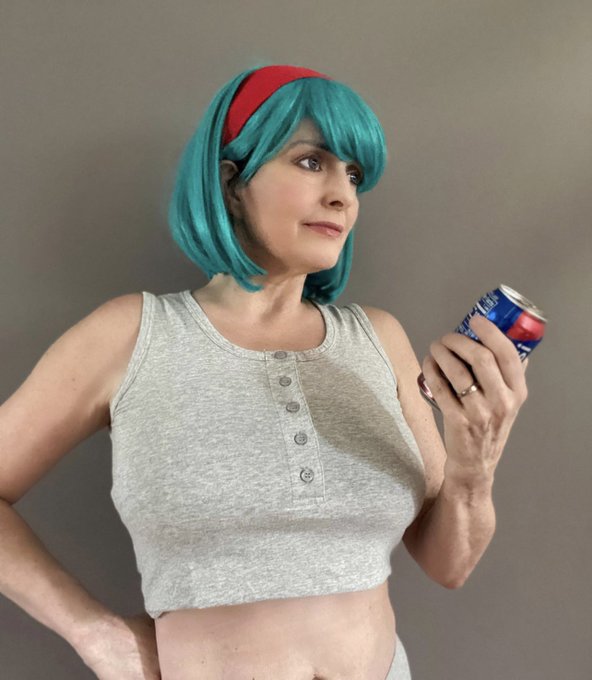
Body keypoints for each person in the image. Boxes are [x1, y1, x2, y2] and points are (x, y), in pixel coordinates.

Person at [0, 63, 529, 680]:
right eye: (311, 162)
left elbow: (449, 565)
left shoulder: (378, 339)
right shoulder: (132, 335)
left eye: (353, 175)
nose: (342, 195)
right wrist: (94, 634)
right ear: (232, 183)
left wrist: (474, 463)